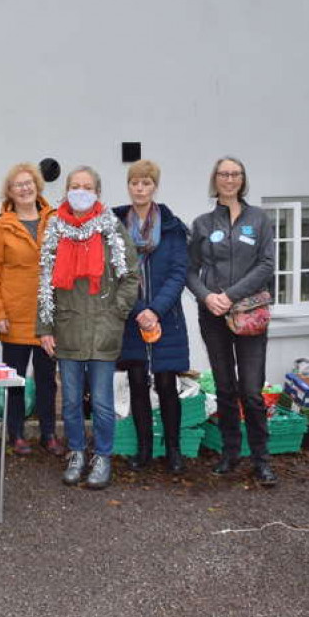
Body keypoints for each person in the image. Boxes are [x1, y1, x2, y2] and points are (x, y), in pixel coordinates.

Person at [37, 166, 139, 489]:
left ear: (98, 191)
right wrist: (45, 328)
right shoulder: (55, 228)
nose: (81, 190)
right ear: (66, 190)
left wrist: (116, 315)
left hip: (102, 331)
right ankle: (77, 453)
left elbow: (131, 276)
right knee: (69, 402)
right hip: (67, 329)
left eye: (87, 186)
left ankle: (103, 457)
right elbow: (44, 284)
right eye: (75, 186)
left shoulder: (112, 228)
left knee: (102, 402)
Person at [187, 156, 277, 486]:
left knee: (251, 391)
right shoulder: (202, 224)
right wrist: (208, 297)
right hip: (213, 316)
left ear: (242, 179)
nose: (230, 179)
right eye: (224, 174)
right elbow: (189, 270)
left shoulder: (260, 219)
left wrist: (231, 294)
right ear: (215, 180)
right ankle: (230, 454)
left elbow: (267, 265)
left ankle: (261, 459)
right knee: (225, 388)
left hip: (250, 315)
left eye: (236, 174)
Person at [112, 160, 190, 474]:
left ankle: (173, 450)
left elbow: (178, 273)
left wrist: (154, 310)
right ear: (129, 186)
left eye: (146, 183)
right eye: (135, 183)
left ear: (154, 186)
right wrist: (137, 310)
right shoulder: (115, 227)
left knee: (167, 383)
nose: (140, 188)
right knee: (137, 381)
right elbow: (115, 273)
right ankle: (143, 449)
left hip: (165, 317)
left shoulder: (172, 227)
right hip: (131, 318)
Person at [0, 163, 62, 457]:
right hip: (14, 315)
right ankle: (15, 433)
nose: (25, 188)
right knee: (15, 380)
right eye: (18, 184)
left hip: (48, 314)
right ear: (9, 192)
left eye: (29, 183)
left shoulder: (55, 220)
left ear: (38, 186)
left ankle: (48, 433)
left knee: (46, 378)